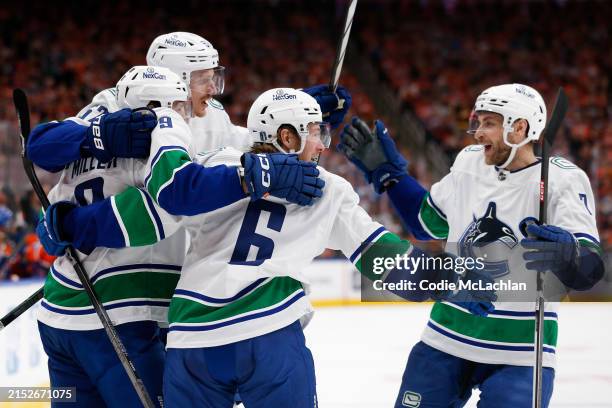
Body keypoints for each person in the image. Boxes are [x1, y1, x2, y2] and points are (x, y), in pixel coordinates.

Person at [39, 88, 495, 407]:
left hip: (192, 342)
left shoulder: (212, 168)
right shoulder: (329, 189)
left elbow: (140, 220)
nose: (323, 142)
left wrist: (66, 224)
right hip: (268, 335)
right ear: (288, 137)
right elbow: (389, 263)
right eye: (315, 131)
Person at [34, 67, 323, 408]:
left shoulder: (88, 146)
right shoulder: (157, 147)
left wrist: (60, 226)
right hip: (120, 314)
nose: (189, 112)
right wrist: (254, 176)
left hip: (58, 311)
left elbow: (48, 215)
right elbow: (164, 208)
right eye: (183, 104)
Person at [337, 83, 605, 407]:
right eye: (477, 123)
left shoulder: (564, 179)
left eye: (488, 123)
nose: (477, 133)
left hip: (521, 351)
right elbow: (425, 221)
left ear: (519, 128)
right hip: (446, 336)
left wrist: (571, 257)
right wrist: (389, 175)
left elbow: (590, 269)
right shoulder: (468, 162)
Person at [27, 31, 352, 172]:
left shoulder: (212, 116)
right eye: (204, 79)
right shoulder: (116, 104)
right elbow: (41, 148)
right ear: (175, 78)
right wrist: (96, 136)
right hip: (118, 258)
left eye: (214, 77)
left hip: (176, 274)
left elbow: (261, 144)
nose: (213, 89)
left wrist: (298, 118)